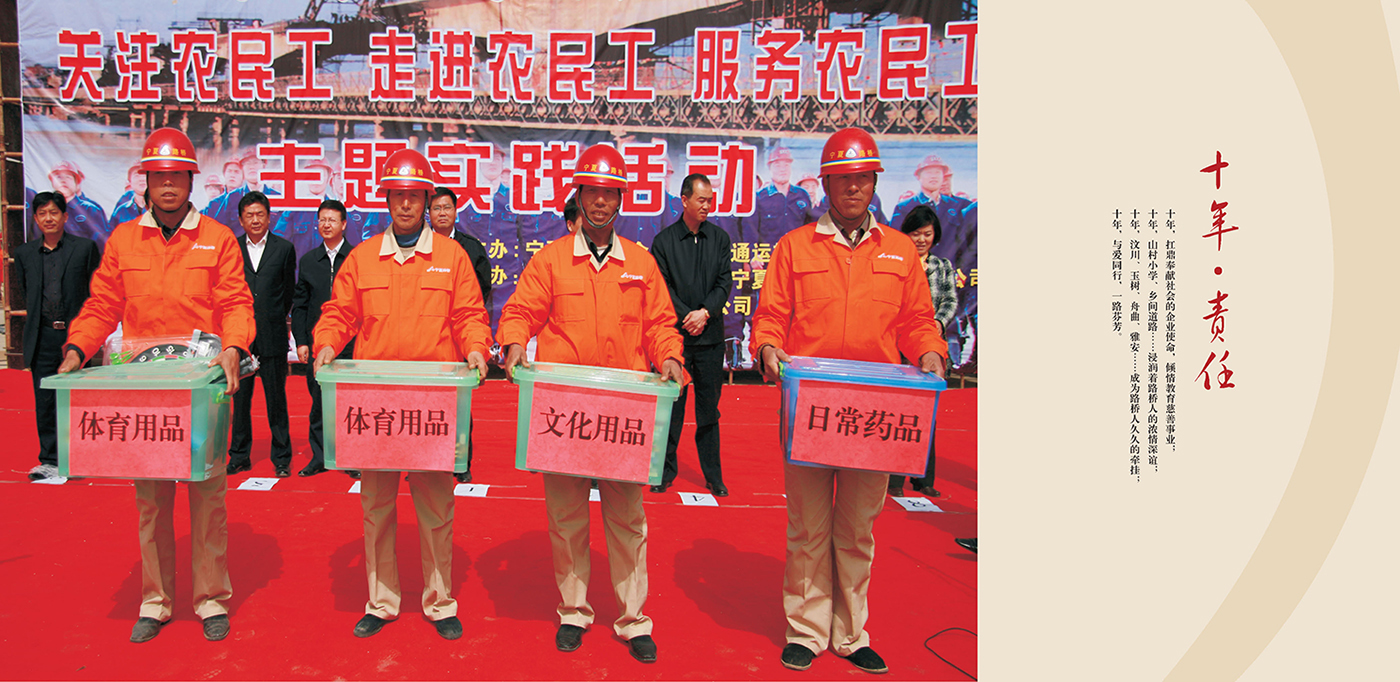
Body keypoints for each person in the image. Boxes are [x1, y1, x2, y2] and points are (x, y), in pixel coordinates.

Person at [751, 127, 947, 675]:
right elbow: (772, 316)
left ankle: (851, 632)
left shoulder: (900, 251)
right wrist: (767, 348)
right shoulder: (795, 247)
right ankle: (806, 630)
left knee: (858, 527)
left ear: (874, 182)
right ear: (827, 184)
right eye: (843, 178)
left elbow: (916, 320)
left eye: (863, 178)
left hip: (875, 412)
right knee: (808, 526)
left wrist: (930, 352)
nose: (854, 187)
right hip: (810, 407)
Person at [56, 127, 254, 644]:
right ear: (145, 181)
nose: (168, 185)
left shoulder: (217, 238)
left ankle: (211, 599)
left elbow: (236, 302)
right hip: (147, 393)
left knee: (208, 499)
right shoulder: (125, 239)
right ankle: (156, 601)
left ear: (191, 181)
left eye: (177, 176)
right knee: (152, 501)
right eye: (158, 176)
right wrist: (78, 348)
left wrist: (234, 347)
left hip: (204, 391)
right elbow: (104, 304)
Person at [498, 143, 685, 663]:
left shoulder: (641, 263)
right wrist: (514, 341)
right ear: (578, 196)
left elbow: (660, 325)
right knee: (567, 517)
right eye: (592, 192)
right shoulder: (552, 260)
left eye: (610, 193)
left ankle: (633, 619)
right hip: (565, 410)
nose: (600, 201)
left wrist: (670, 356)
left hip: (624, 413)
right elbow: (521, 311)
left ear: (621, 200)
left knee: (627, 519)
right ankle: (574, 611)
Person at [312, 148, 492, 642]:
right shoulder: (364, 257)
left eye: (415, 196)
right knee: (377, 506)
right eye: (398, 195)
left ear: (427, 200)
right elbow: (340, 312)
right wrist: (326, 343)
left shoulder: (451, 258)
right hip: (377, 404)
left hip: (432, 403)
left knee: (436, 507)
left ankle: (440, 601)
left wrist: (477, 348)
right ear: (387, 200)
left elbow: (469, 315)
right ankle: (382, 601)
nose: (407, 204)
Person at [648, 173, 733, 496]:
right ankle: (663, 472)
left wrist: (705, 313)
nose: (707, 206)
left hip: (710, 338)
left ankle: (713, 476)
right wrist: (687, 316)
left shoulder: (720, 239)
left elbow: (724, 282)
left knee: (709, 411)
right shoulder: (664, 242)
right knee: (672, 409)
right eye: (701, 200)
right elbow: (662, 288)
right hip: (677, 340)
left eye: (710, 200)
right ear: (684, 201)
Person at [16, 191, 101, 481]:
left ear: (65, 216)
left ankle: (82, 456)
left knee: (79, 399)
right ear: (36, 219)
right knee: (45, 400)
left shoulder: (84, 248)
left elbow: (94, 291)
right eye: (42, 214)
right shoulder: (25, 254)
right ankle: (50, 459)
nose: (48, 218)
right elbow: (25, 291)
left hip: (75, 336)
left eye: (54, 212)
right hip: (42, 336)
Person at [887, 204, 957, 498]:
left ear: (935, 236)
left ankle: (923, 478)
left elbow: (950, 300)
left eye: (926, 234)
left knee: (927, 414)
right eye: (915, 233)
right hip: (899, 348)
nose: (921, 240)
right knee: (895, 413)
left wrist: (936, 325)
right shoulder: (897, 262)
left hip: (931, 347)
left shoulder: (942, 266)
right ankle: (893, 478)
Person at [226, 191, 297, 478]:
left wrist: (274, 317)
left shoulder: (284, 248)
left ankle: (281, 458)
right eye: (249, 215)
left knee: (276, 399)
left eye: (260, 214)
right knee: (240, 399)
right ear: (241, 219)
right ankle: (239, 455)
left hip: (272, 333)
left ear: (269, 217)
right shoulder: (231, 247)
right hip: (240, 337)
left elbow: (288, 291)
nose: (255, 220)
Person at [429, 186, 494, 483]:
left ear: (455, 212)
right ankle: (426, 460)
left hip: (459, 337)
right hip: (428, 337)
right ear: (429, 214)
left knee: (459, 403)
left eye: (447, 208)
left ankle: (460, 462)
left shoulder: (471, 248)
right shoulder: (419, 246)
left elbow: (481, 290)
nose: (442, 213)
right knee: (427, 405)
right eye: (436, 208)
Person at [291, 199, 358, 479]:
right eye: (322, 220)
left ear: (343, 224)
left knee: (350, 403)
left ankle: (351, 457)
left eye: (332, 220)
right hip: (318, 345)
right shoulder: (309, 261)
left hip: (351, 344)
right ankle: (319, 457)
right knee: (319, 402)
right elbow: (300, 305)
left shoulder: (356, 258)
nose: (326, 225)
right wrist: (302, 341)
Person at [45, 160, 112, 244]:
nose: (63, 181)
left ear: (76, 182)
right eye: (58, 177)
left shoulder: (90, 210)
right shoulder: (45, 211)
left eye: (68, 177)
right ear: (52, 182)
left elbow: (101, 243)